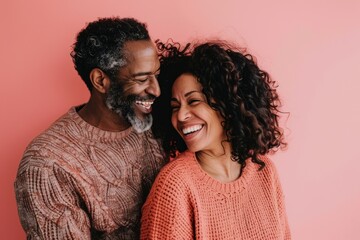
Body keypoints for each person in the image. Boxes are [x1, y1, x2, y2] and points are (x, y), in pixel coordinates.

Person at [14, 17, 166, 239]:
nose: (157, 90)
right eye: (142, 79)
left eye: (157, 74)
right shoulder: (47, 163)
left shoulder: (157, 124)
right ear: (100, 81)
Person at [140, 40, 291, 239]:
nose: (181, 115)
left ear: (228, 106)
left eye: (193, 101)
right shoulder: (175, 185)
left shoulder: (265, 171)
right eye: (175, 106)